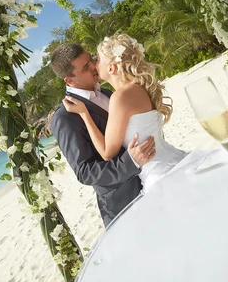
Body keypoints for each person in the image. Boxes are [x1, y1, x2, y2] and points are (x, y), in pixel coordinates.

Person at [62, 34, 210, 192]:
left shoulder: (119, 97)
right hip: (175, 160)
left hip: (160, 175)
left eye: (97, 60)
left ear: (111, 68)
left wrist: (84, 114)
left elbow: (106, 153)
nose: (94, 66)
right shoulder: (138, 87)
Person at [49, 42, 156, 227]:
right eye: (85, 67)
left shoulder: (108, 91)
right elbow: (85, 172)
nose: (93, 66)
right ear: (70, 80)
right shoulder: (65, 117)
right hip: (124, 203)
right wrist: (131, 162)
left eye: (91, 59)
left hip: (152, 180)